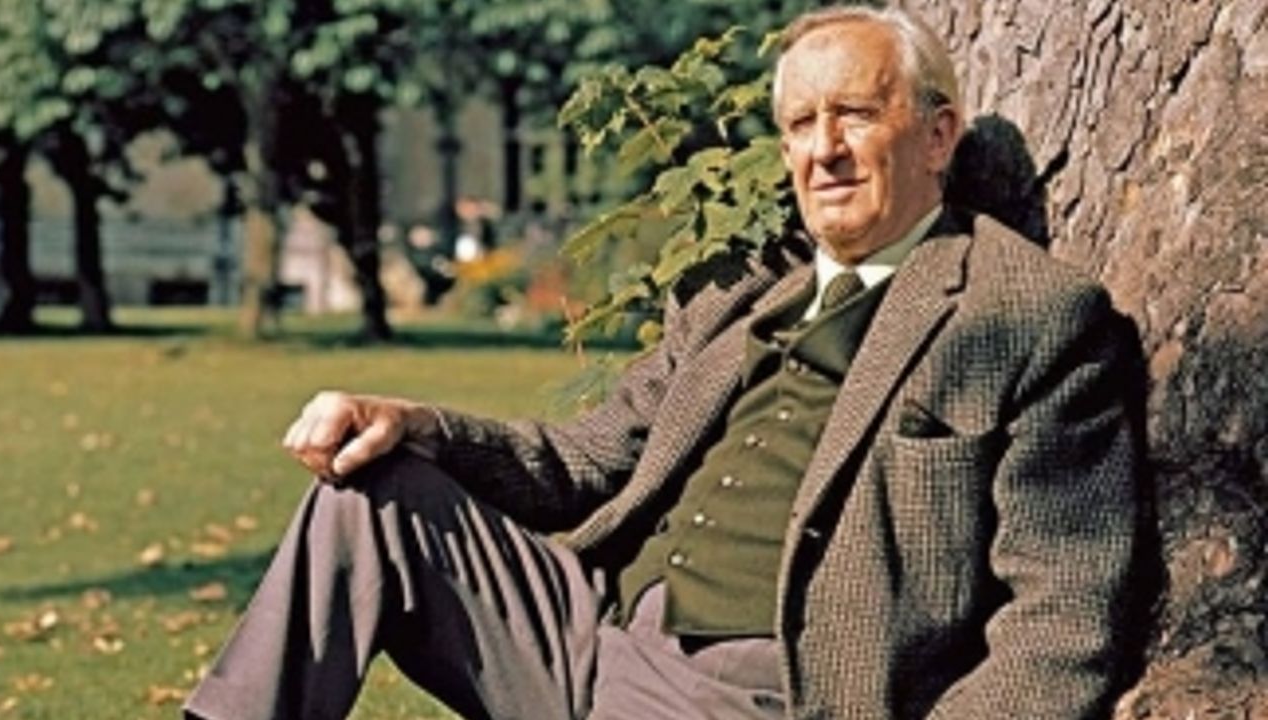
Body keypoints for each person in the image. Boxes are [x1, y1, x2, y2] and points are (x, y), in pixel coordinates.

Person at [185, 5, 1153, 719]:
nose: (822, 151)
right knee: (368, 497)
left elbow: (1060, 620)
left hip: (746, 690)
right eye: (799, 125)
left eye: (855, 114)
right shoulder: (740, 294)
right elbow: (582, 461)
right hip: (582, 627)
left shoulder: (1026, 316)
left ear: (937, 135)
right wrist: (415, 424)